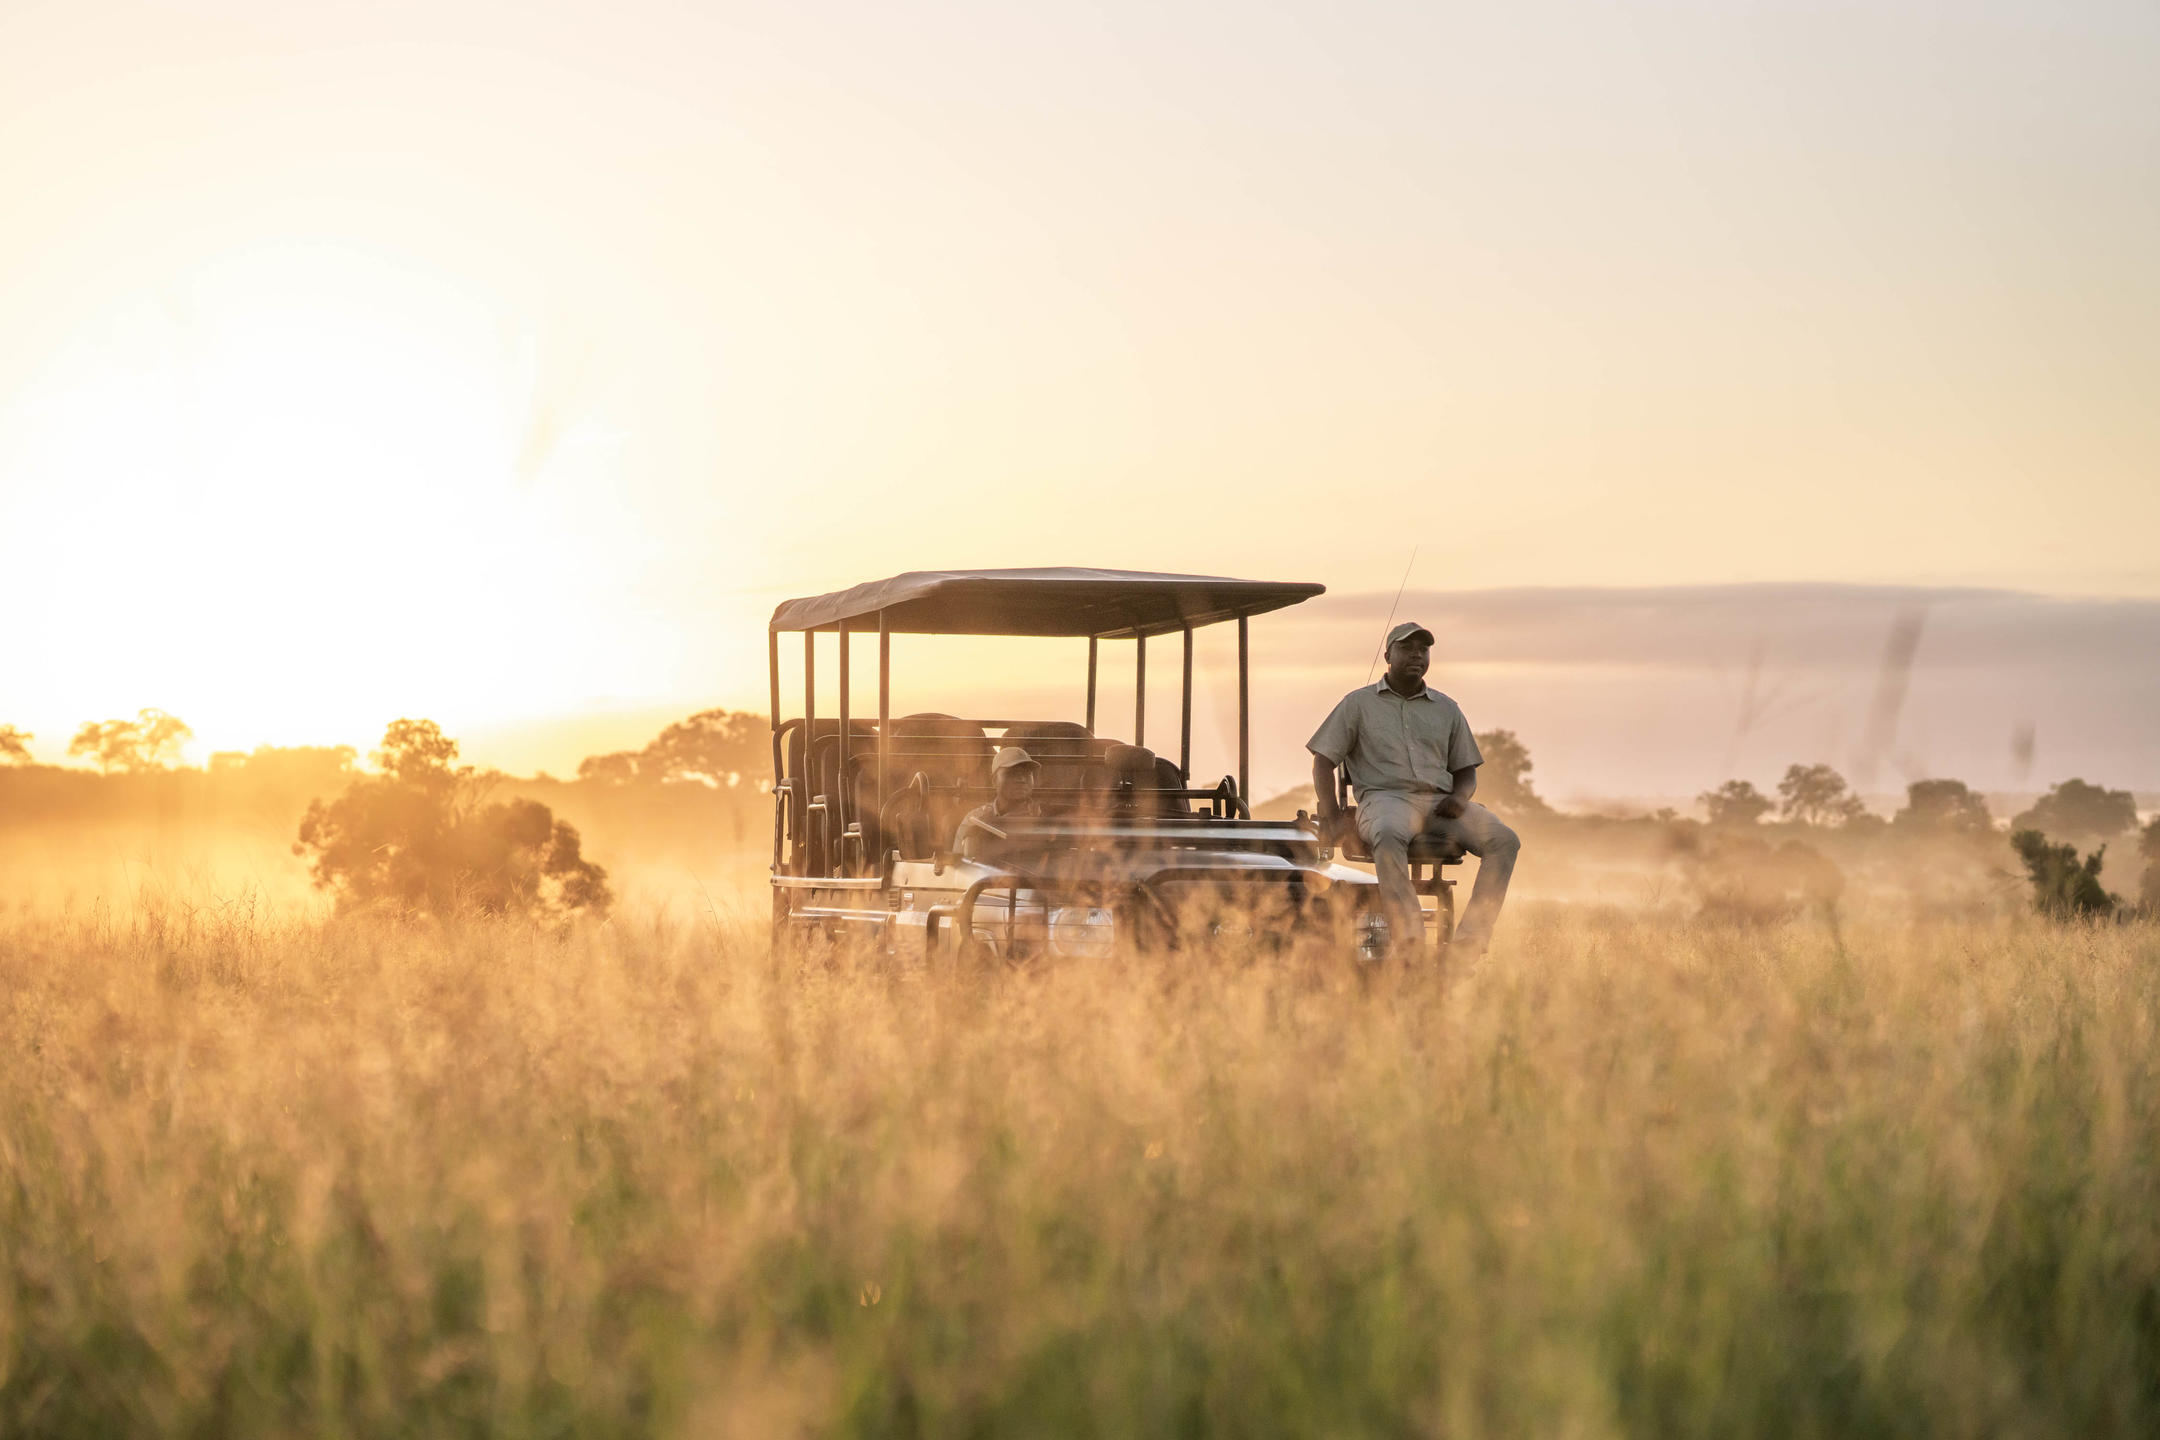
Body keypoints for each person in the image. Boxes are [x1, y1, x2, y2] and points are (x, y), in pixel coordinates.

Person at [1307, 620, 1521, 956]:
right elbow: (1323, 760)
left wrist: (1460, 797)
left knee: (1505, 840)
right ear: (1388, 654)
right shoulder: (1358, 704)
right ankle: (1409, 937)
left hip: (1439, 803)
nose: (1416, 655)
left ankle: (1470, 941)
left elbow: (1466, 771)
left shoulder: (1446, 708)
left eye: (1423, 649)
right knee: (1389, 832)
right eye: (1406, 648)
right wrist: (1332, 815)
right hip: (1383, 799)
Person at [954, 747, 1043, 859]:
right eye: (1012, 773)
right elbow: (962, 868)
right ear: (994, 781)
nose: (1021, 779)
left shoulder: (1045, 818)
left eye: (1027, 773)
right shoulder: (976, 821)